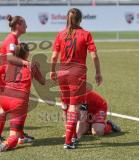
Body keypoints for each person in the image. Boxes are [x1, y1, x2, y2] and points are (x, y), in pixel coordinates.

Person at [50, 8, 102, 149]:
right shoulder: (85, 34)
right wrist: (98, 73)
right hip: (77, 74)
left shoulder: (61, 34)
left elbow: (54, 56)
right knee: (74, 107)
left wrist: (52, 70)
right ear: (80, 19)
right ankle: (69, 141)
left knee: (66, 105)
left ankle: (72, 136)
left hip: (62, 73)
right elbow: (94, 56)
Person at [0, 43, 45, 153]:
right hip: (18, 101)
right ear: (27, 53)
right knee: (14, 136)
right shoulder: (30, 65)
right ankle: (7, 143)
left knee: (3, 110)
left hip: (5, 98)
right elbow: (42, 82)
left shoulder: (7, 64)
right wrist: (36, 69)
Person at [0, 15, 35, 144]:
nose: (27, 26)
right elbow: (9, 58)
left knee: (6, 107)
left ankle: (1, 135)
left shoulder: (13, 39)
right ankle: (15, 136)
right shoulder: (11, 39)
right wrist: (26, 63)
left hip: (7, 76)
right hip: (8, 78)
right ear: (18, 24)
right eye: (25, 23)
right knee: (16, 107)